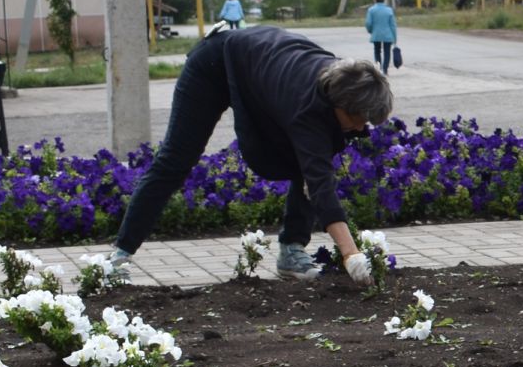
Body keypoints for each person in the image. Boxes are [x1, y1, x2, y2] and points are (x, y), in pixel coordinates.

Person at [108, 25, 392, 285]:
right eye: (356, 118)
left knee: (308, 158)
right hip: (214, 64)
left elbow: (315, 166)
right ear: (338, 102)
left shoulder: (339, 83)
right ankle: (119, 258)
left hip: (259, 71)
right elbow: (320, 184)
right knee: (175, 160)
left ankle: (291, 250)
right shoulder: (307, 104)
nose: (358, 127)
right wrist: (351, 255)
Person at [364, 0, 398, 72]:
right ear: (384, 0)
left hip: (376, 34)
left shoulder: (371, 10)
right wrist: (394, 37)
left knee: (377, 51)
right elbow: (393, 25)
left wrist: (370, 30)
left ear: (374, 0)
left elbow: (368, 23)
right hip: (388, 35)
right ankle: (385, 70)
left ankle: (378, 69)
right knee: (387, 52)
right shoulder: (389, 10)